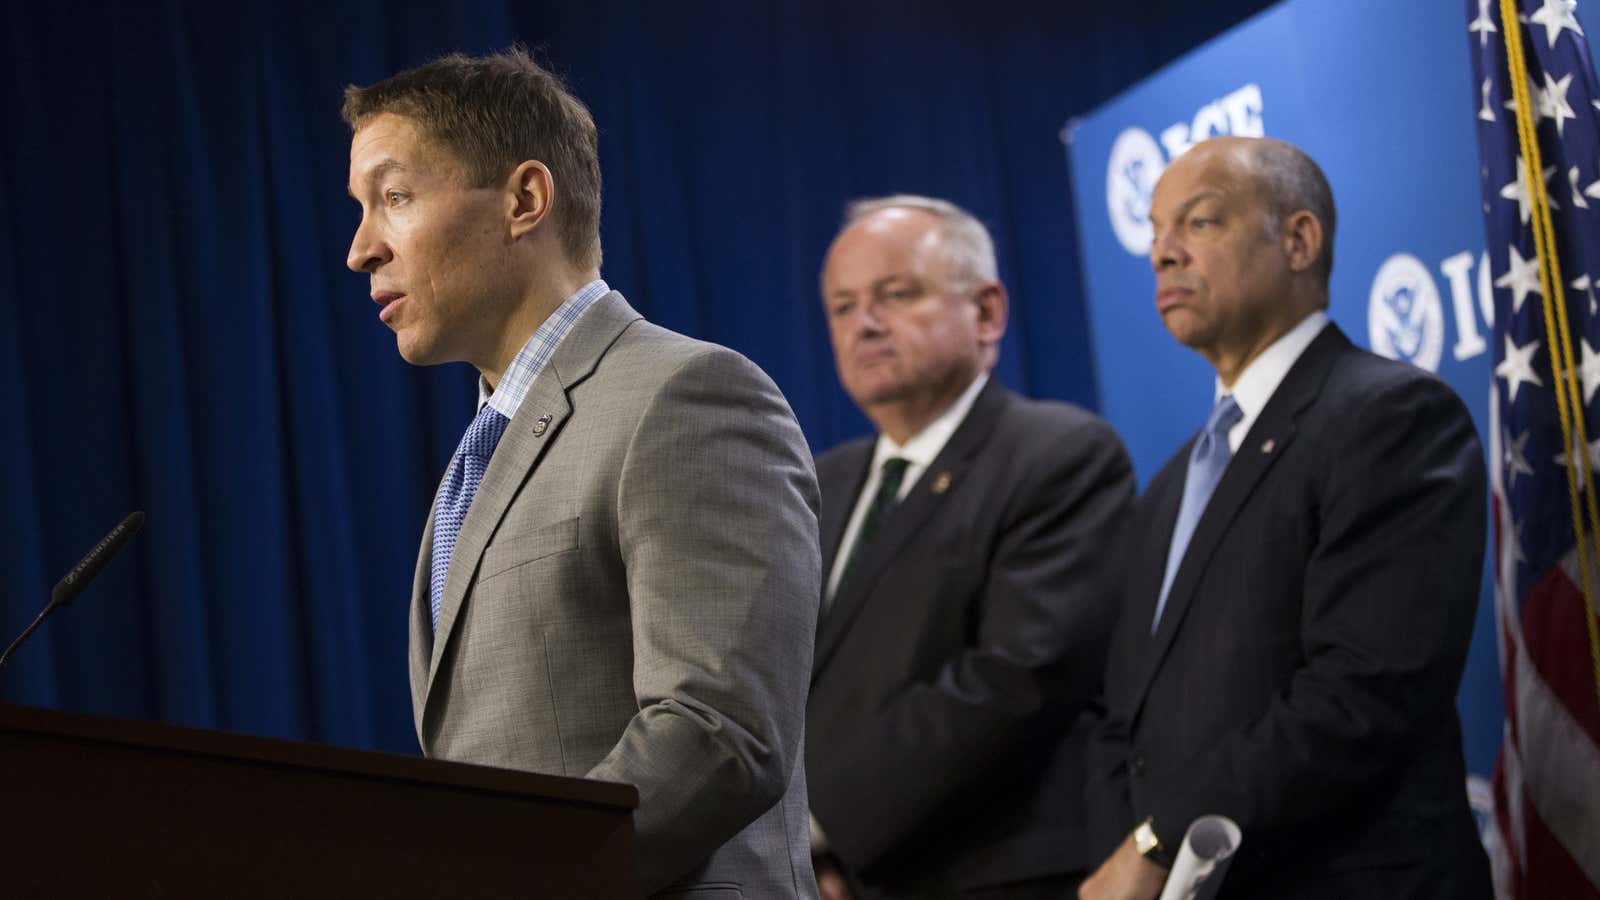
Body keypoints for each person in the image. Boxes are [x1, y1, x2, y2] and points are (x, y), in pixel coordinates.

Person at [342, 49, 821, 898]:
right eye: (362, 209)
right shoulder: (477, 453)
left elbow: (719, 732)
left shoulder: (688, 396)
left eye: (395, 197)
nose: (361, 249)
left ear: (524, 200)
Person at [1079, 137, 1491, 900]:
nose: (1162, 254)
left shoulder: (1391, 417)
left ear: (1300, 240)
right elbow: (1121, 712)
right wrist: (1130, 850)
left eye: (1198, 223)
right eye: (1155, 230)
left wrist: (1162, 839)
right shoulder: (1171, 483)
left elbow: (1362, 693)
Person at [807, 195, 1135, 898]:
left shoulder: (1059, 455)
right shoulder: (821, 484)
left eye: (896, 295)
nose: (864, 324)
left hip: (994, 875)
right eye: (842, 306)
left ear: (987, 312)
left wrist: (820, 826)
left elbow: (1016, 678)